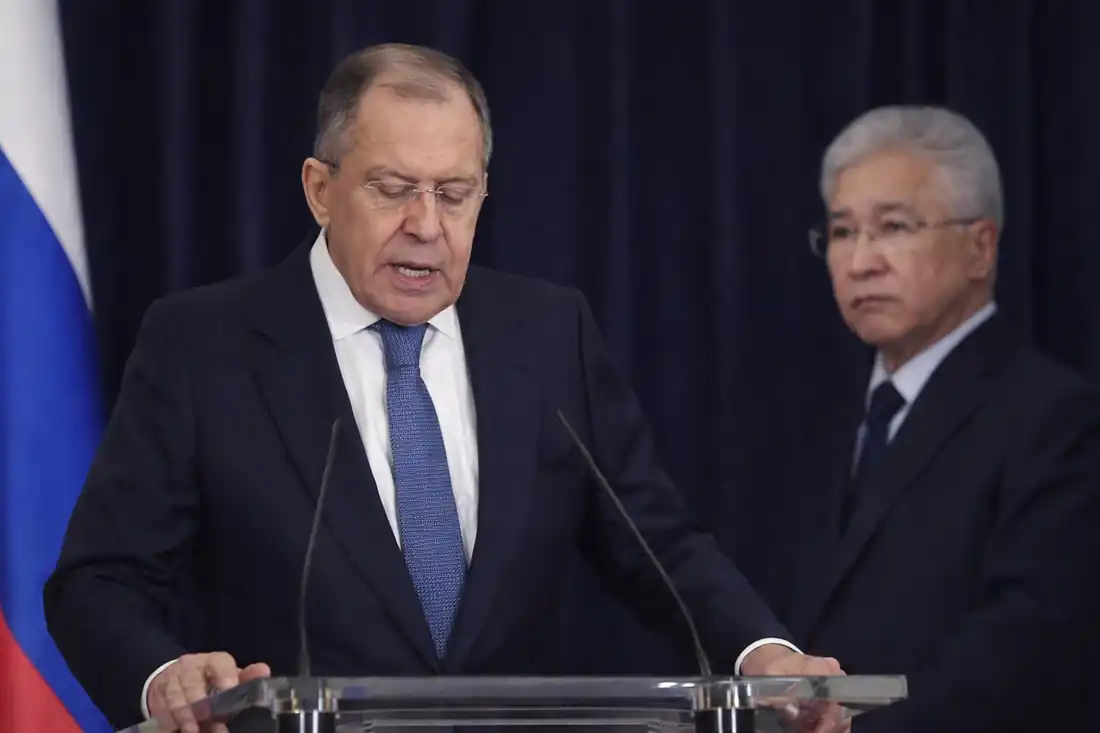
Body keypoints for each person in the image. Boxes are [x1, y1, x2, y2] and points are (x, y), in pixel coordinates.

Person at [43, 43, 845, 731]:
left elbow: (657, 545)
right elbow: (97, 581)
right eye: (394, 189)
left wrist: (764, 654)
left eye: (454, 194)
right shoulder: (204, 345)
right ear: (320, 189)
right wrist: (164, 675)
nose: (427, 225)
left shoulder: (548, 333)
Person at [764, 105, 1100, 733]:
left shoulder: (1056, 419)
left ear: (980, 247)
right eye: (842, 232)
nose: (860, 261)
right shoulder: (825, 422)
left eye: (893, 227)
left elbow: (1029, 649)